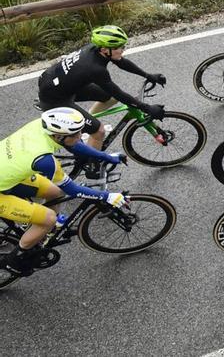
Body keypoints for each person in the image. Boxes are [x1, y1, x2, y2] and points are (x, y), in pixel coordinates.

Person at [0, 109, 125, 275]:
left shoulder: (40, 126)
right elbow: (73, 190)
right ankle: (14, 259)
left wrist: (106, 156)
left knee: (54, 191)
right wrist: (107, 196)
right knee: (48, 219)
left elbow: (75, 146)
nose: (81, 135)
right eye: (75, 133)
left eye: (80, 130)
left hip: (7, 174)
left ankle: (44, 232)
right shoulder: (45, 160)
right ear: (59, 135)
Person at [37, 25, 165, 151]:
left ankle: (86, 124)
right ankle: (93, 167)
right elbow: (119, 93)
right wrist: (147, 108)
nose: (122, 50)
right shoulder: (95, 69)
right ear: (104, 50)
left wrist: (148, 75)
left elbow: (121, 62)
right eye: (119, 47)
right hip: (54, 99)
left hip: (58, 83)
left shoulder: (95, 48)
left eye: (123, 46)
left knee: (110, 98)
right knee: (99, 131)